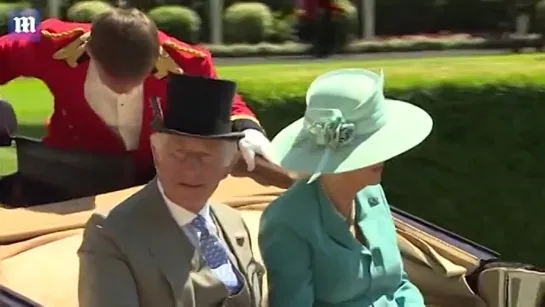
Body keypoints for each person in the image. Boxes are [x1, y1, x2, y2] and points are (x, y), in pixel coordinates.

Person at [0, 8, 271, 202]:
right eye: (112, 78)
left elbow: (223, 102)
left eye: (137, 78)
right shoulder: (51, 43)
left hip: (149, 182)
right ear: (90, 51)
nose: (125, 89)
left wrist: (249, 130)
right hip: (67, 176)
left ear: (157, 55)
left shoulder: (188, 62)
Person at [78, 74, 265, 307]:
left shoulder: (232, 223)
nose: (191, 170)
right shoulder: (112, 234)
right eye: (178, 153)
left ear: (228, 164)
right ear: (157, 154)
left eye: (205, 157)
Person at [258, 68, 433, 306]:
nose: (384, 153)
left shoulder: (371, 193)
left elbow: (398, 283)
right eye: (372, 144)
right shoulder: (287, 220)